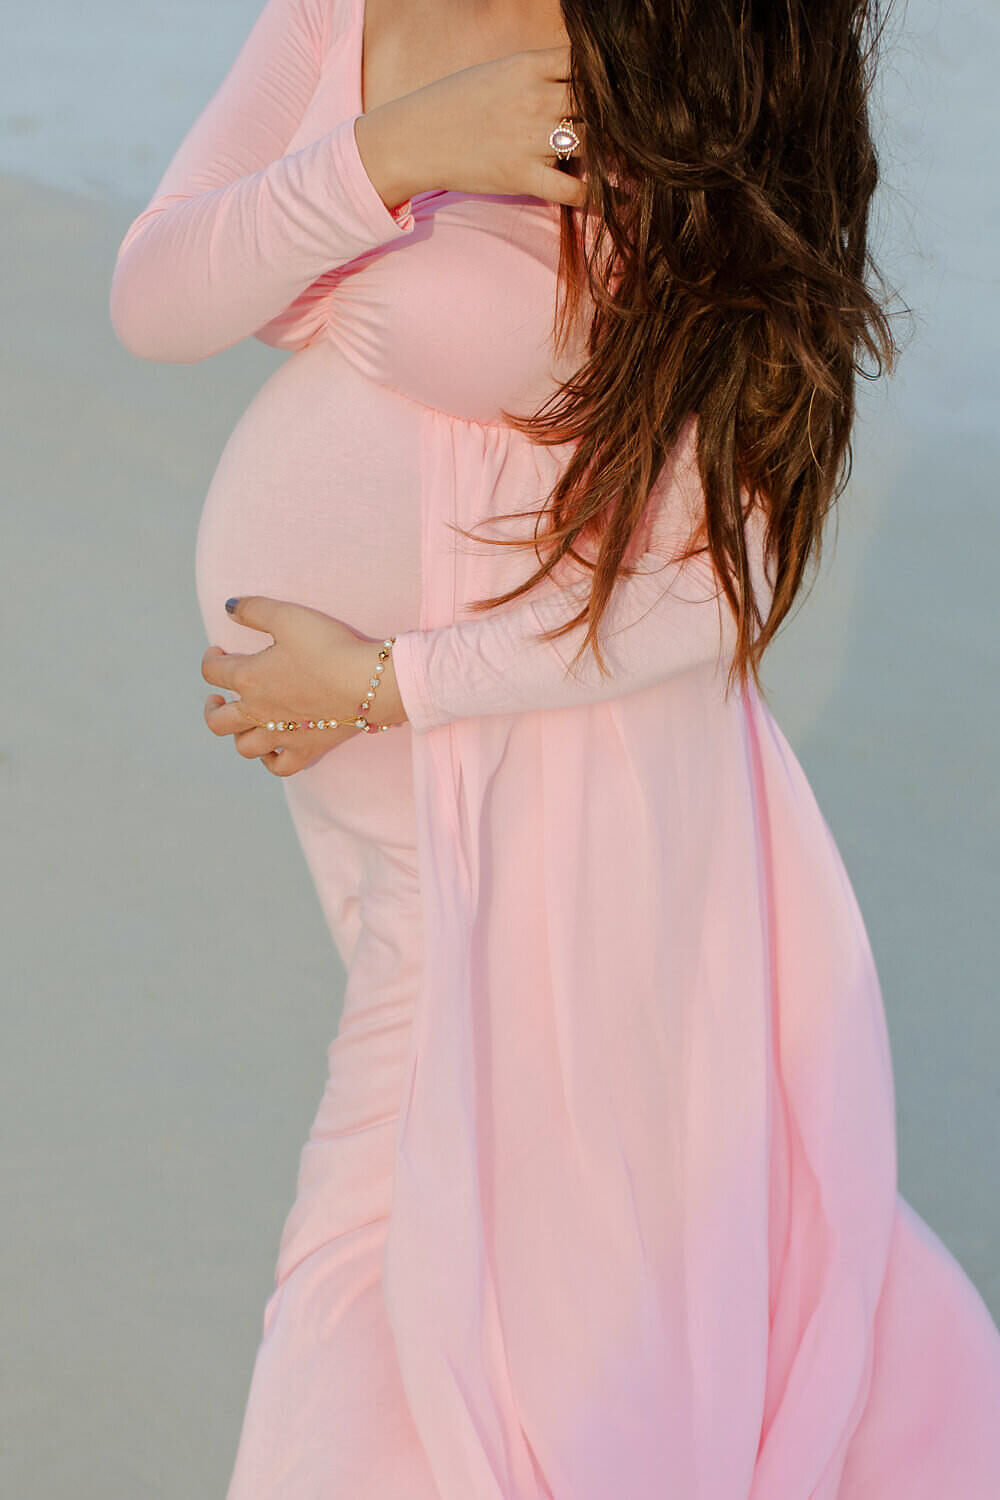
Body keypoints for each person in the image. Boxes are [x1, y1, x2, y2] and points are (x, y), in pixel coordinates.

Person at [109, 0, 1000, 1494]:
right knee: (494, 1180)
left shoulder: (715, 53)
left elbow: (733, 578)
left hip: (552, 746)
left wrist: (400, 682)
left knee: (444, 1185)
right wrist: (395, 152)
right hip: (391, 786)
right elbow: (157, 301)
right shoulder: (345, 10)